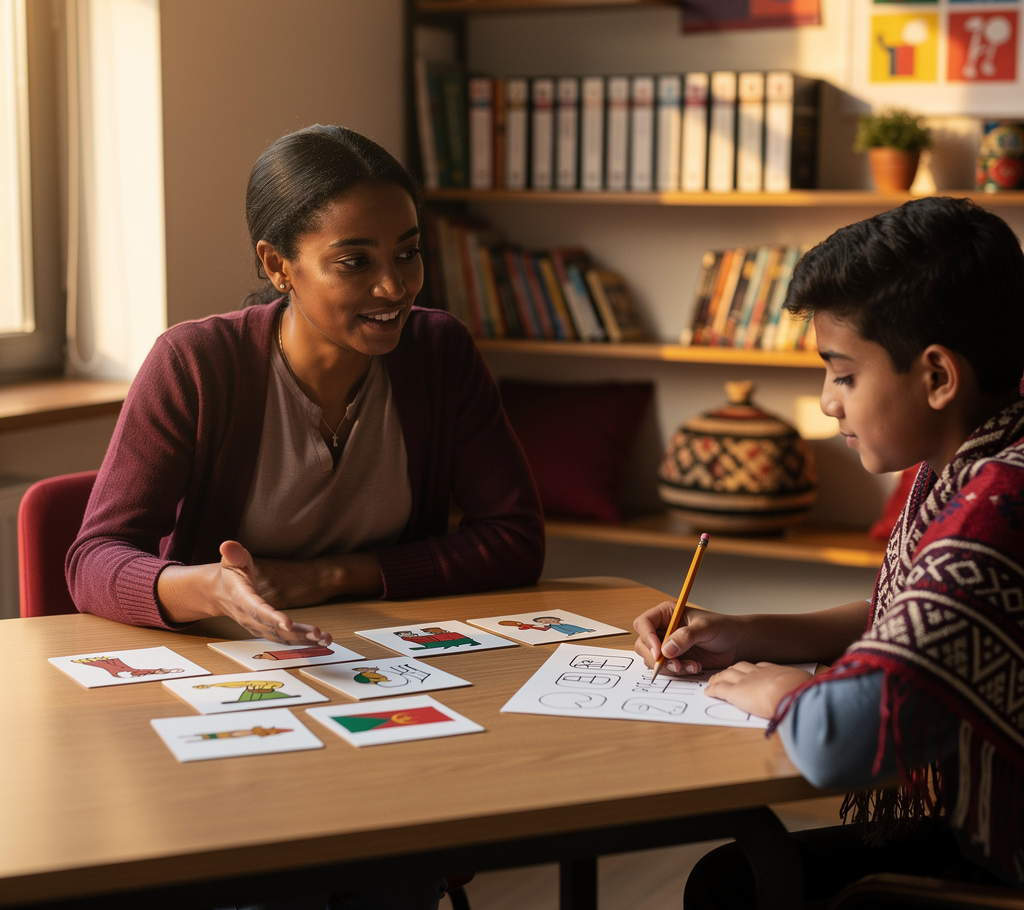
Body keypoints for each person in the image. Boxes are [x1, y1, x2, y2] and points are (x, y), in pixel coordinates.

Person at [67, 125, 546, 909]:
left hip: (382, 693)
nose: (396, 287)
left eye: (409, 252)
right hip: (231, 701)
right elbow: (92, 558)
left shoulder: (438, 352)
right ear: (276, 264)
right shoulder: (196, 364)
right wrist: (210, 591)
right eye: (355, 261)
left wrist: (324, 577)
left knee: (391, 872)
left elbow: (515, 538)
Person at [633, 196, 1024, 907]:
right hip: (984, 826)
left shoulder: (997, 509)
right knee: (733, 877)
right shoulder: (969, 461)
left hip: (1006, 863)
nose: (826, 402)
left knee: (736, 886)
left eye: (843, 374)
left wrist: (785, 691)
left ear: (937, 377)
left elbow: (839, 738)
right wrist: (749, 633)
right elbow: (896, 620)